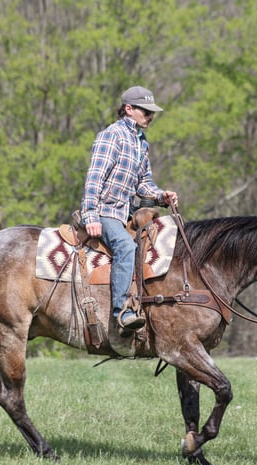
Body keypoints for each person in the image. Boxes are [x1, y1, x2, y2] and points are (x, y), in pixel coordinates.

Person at [80, 86, 179, 334]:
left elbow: (143, 182)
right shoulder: (111, 135)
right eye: (145, 111)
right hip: (106, 213)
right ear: (128, 109)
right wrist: (91, 215)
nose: (150, 116)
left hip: (126, 212)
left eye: (151, 112)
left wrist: (160, 196)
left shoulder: (140, 142)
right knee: (126, 247)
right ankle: (122, 312)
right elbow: (94, 178)